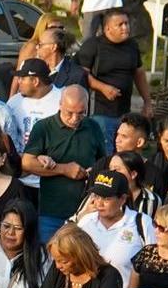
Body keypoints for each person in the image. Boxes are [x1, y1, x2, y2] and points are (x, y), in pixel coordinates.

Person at [21, 85, 107, 241]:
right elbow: (27, 163)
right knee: (49, 259)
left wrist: (92, 172)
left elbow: (104, 163)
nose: (75, 119)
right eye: (69, 113)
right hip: (52, 212)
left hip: (86, 212)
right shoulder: (44, 127)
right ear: (60, 105)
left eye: (81, 113)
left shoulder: (93, 127)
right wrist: (63, 169)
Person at [77, 8, 151, 153]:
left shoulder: (132, 46)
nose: (125, 27)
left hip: (124, 113)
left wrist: (147, 102)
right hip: (100, 111)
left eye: (127, 23)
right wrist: (102, 87)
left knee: (124, 153)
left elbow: (139, 74)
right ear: (108, 28)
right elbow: (81, 74)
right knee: (106, 153)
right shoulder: (93, 46)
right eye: (120, 24)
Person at [32, 223, 124, 288]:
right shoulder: (57, 271)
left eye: (64, 261)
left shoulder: (108, 276)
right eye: (56, 260)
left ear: (81, 256)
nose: (58, 266)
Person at [75, 169, 154, 284]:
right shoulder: (86, 222)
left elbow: (152, 265)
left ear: (122, 199)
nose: (99, 204)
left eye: (106, 199)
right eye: (97, 196)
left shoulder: (142, 223)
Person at [7, 58, 62, 202]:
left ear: (35, 81)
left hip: (50, 181)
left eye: (22, 78)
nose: (18, 81)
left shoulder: (61, 101)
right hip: (20, 181)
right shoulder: (14, 102)